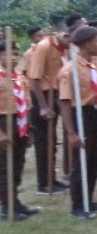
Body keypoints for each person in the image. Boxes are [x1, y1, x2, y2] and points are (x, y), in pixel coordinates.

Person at [58, 25, 97, 219]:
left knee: (95, 158)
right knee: (81, 161)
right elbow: (64, 101)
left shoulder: (92, 65)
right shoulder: (70, 69)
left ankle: (90, 197)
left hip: (96, 113)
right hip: (81, 114)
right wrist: (71, 133)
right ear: (87, 44)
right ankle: (78, 204)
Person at [27, 26, 70, 194]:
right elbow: (34, 78)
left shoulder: (62, 48)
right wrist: (43, 106)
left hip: (55, 92)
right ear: (65, 35)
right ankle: (44, 184)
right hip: (43, 96)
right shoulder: (43, 47)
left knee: (52, 141)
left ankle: (51, 179)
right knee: (44, 142)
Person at [0, 40, 39, 221]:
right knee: (4, 167)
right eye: (9, 54)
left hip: (20, 122)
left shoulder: (19, 77)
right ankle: (6, 207)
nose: (14, 58)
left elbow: (27, 104)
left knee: (17, 164)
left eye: (16, 54)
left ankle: (15, 201)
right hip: (3, 123)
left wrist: (28, 129)